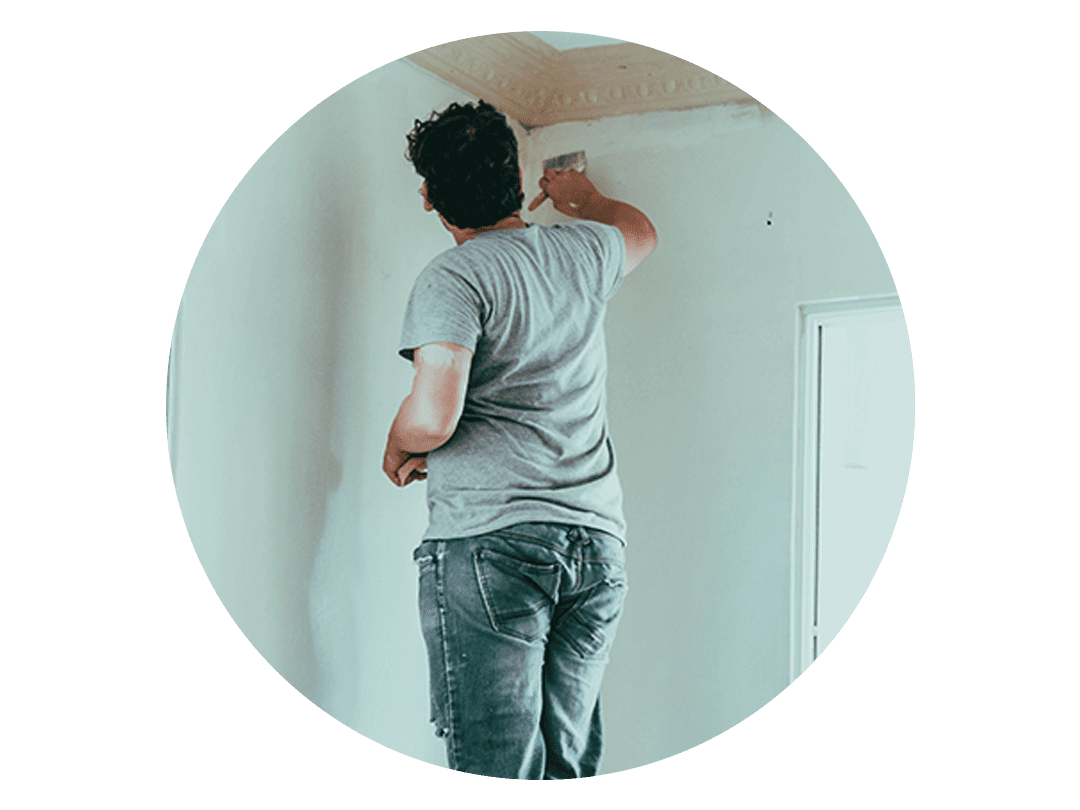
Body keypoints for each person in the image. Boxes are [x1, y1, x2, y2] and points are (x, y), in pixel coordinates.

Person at [383, 100, 657, 779]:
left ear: (429, 196)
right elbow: (640, 231)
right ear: (514, 175)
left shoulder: (454, 276)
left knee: (497, 767)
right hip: (595, 547)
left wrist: (397, 441)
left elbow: (434, 417)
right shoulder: (583, 250)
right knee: (565, 767)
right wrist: (584, 198)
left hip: (493, 543)